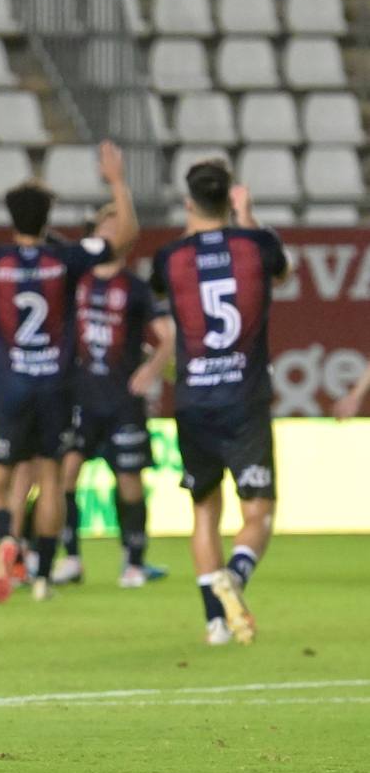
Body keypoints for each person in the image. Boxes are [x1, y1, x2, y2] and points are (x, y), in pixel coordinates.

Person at [0, 143, 138, 603]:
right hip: (56, 389)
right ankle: (43, 576)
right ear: (47, 220)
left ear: (11, 218)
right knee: (50, 481)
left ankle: (7, 538)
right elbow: (123, 236)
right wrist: (117, 182)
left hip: (10, 389)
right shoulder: (64, 260)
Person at [150, 161, 291, 646]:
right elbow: (282, 271)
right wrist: (246, 218)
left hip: (194, 399)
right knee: (259, 513)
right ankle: (237, 573)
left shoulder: (170, 258)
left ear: (188, 203)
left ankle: (215, 622)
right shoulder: (258, 245)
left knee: (205, 512)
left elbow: (162, 298)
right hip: (244, 397)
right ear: (231, 199)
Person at [49, 204, 175, 588]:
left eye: (120, 228)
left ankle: (134, 561)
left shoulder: (135, 288)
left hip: (122, 401)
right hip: (80, 398)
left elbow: (170, 336)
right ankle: (70, 558)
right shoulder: (77, 278)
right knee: (65, 476)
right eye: (108, 226)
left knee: (130, 482)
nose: (113, 234)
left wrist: (150, 370)